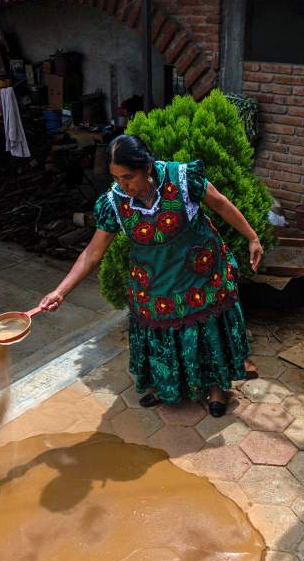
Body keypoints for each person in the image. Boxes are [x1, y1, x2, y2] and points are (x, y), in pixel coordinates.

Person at [40, 135, 263, 417]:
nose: (123, 185)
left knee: (207, 331)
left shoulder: (183, 178)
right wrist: (60, 291)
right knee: (161, 333)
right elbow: (92, 254)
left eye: (128, 177)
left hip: (201, 275)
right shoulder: (115, 201)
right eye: (116, 178)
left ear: (147, 167)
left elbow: (219, 204)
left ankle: (216, 388)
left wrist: (252, 238)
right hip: (155, 284)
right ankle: (167, 386)